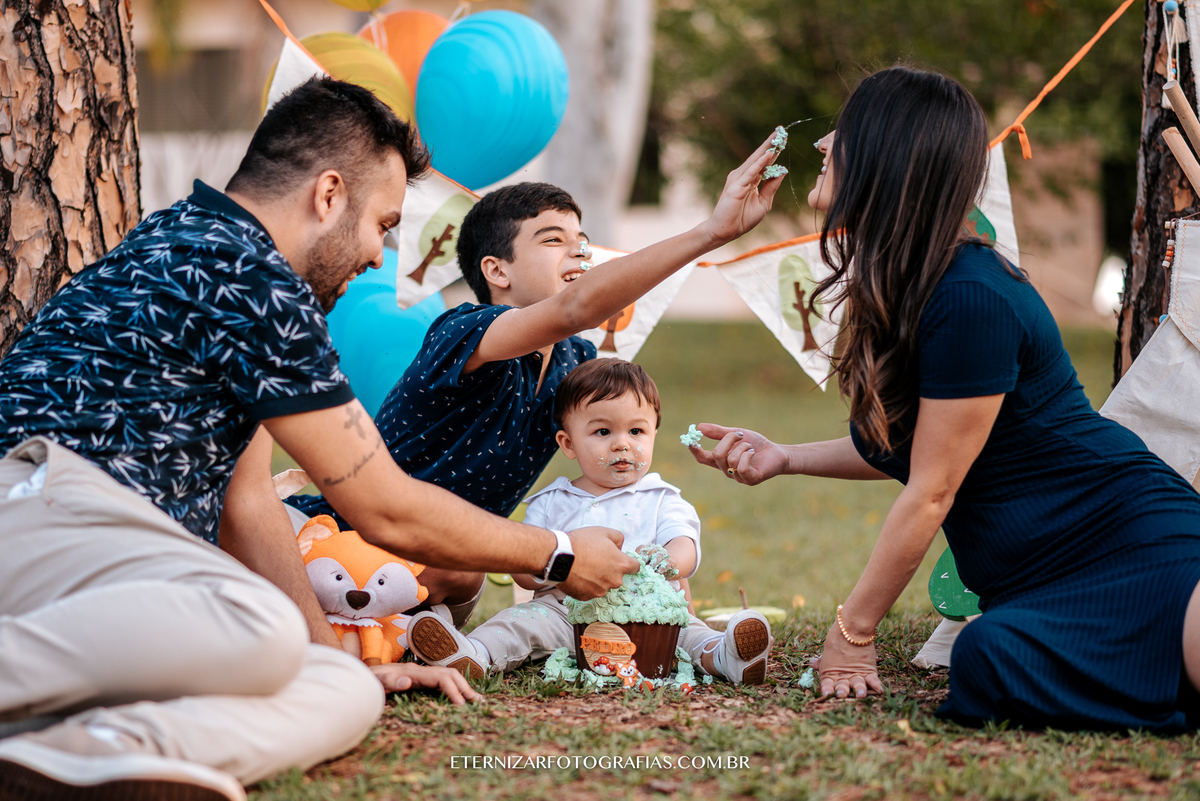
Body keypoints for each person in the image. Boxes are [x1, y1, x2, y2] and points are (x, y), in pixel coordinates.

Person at [0, 77, 639, 800]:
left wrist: (330, 654)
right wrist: (555, 554)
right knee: (260, 626)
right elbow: (383, 505)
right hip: (41, 505)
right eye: (381, 223)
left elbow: (249, 503)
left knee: (342, 687)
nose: (378, 254)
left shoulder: (180, 240)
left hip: (100, 563)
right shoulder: (251, 274)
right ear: (328, 194)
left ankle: (83, 751)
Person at [689, 66, 1200, 732]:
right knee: (986, 658)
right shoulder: (921, 284)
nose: (823, 144)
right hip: (1047, 583)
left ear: (888, 153)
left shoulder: (970, 297)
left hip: (1138, 546)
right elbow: (931, 447)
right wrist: (784, 456)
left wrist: (854, 630)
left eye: (845, 128)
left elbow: (932, 488)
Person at [287, 146, 786, 626]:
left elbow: (616, 440)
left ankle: (398, 638)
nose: (579, 253)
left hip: (448, 571)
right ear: (496, 270)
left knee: (461, 569)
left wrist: (698, 447)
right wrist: (711, 232)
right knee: (451, 565)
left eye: (582, 243)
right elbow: (577, 307)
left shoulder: (578, 363)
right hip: (333, 541)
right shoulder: (464, 329)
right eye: (553, 240)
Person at [403, 358, 773, 684]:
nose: (622, 444)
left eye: (637, 431)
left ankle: (727, 656)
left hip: (654, 615)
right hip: (564, 613)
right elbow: (524, 570)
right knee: (519, 622)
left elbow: (685, 548)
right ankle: (474, 655)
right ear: (568, 444)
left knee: (690, 633)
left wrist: (666, 559)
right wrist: (555, 563)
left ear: (654, 434)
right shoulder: (551, 502)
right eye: (602, 432)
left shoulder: (661, 497)